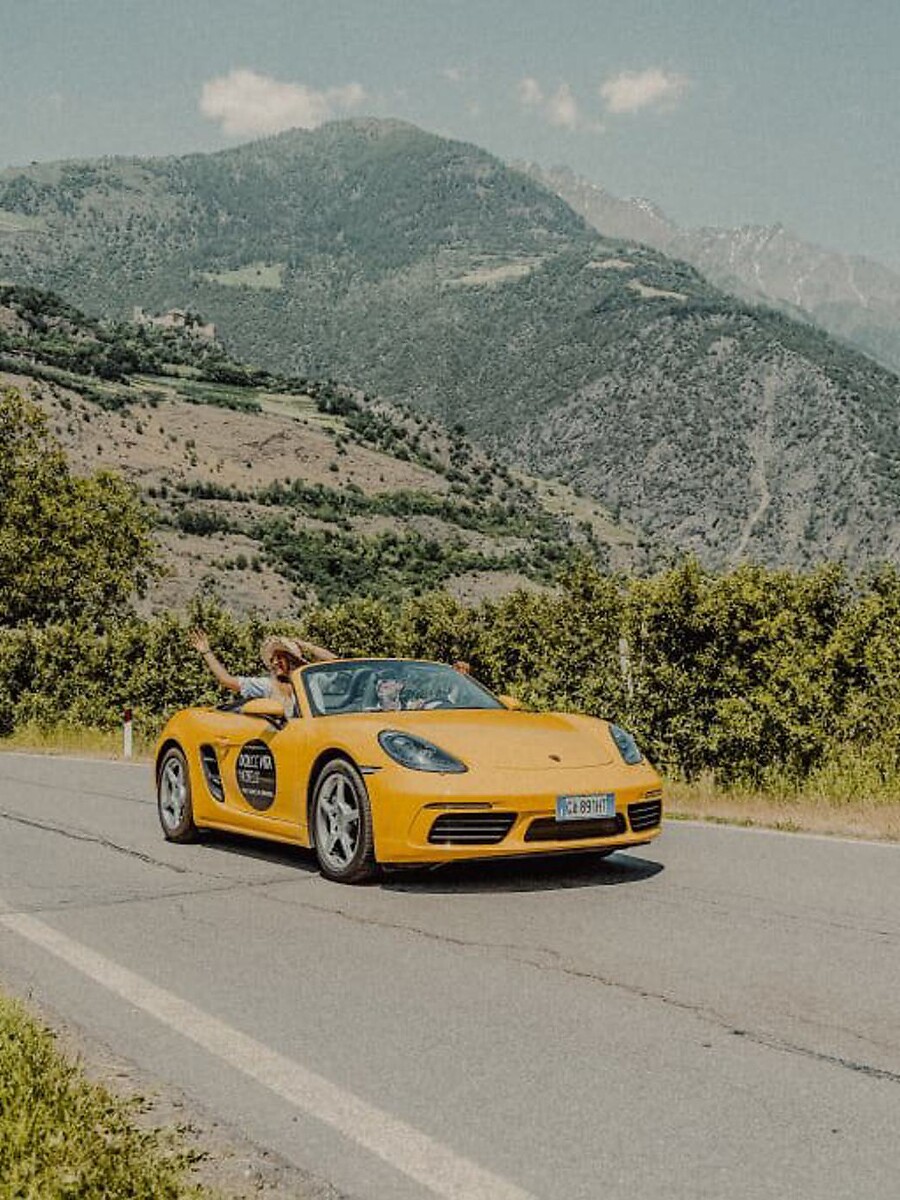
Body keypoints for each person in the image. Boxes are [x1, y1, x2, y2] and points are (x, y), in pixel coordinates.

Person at [190, 629, 337, 718]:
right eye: (272, 659)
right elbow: (226, 680)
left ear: (292, 659)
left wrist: (307, 646)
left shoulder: (311, 681)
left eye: (280, 657)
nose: (275, 662)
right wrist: (206, 652)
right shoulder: (268, 685)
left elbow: (336, 663)